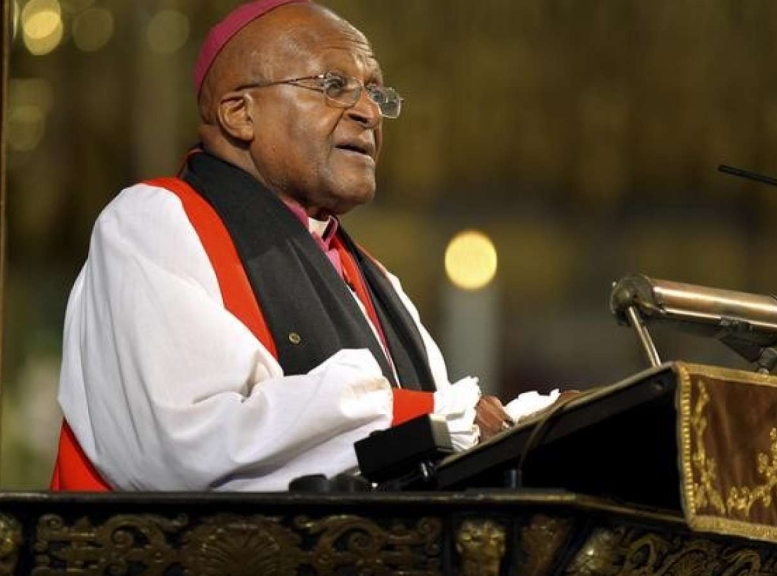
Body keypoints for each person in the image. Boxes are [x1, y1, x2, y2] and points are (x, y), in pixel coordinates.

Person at [50, 0, 525, 491]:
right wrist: (422, 415)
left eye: (374, 93)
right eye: (333, 86)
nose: (367, 113)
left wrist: (535, 428)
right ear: (239, 114)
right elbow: (185, 444)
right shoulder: (154, 224)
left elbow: (452, 435)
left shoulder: (374, 280)